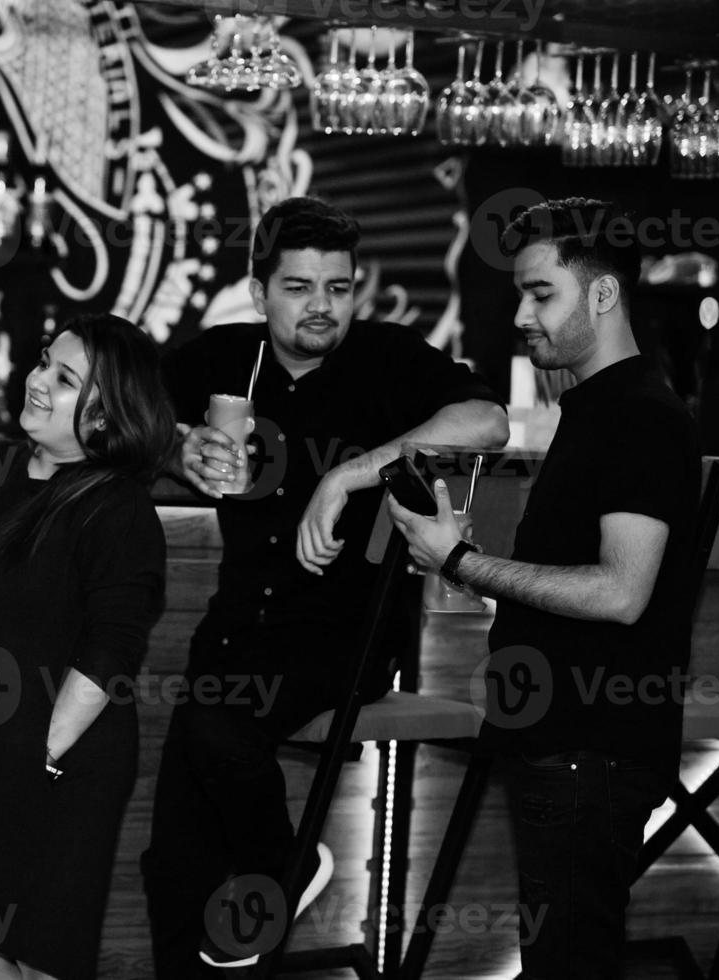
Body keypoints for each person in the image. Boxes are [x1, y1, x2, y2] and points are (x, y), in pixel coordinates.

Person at [141, 196, 511, 974]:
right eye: (300, 287)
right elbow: (117, 420)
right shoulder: (221, 358)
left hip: (343, 634)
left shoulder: (386, 357)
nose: (321, 307)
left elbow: (488, 424)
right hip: (237, 625)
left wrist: (349, 473)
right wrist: (180, 454)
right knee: (174, 858)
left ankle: (288, 864)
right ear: (259, 292)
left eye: (337, 288)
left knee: (216, 729)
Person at [387, 198, 700, 979]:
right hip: (567, 745)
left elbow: (619, 593)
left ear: (602, 295)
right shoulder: (594, 409)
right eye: (520, 294)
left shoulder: (637, 416)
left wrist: (458, 562)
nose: (521, 314)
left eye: (540, 293)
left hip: (587, 752)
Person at [0, 314, 177, 980]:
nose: (38, 380)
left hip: (59, 755)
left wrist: (43, 754)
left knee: (43, 952)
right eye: (43, 360)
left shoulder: (118, 507)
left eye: (64, 376)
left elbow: (113, 649)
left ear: (107, 417)